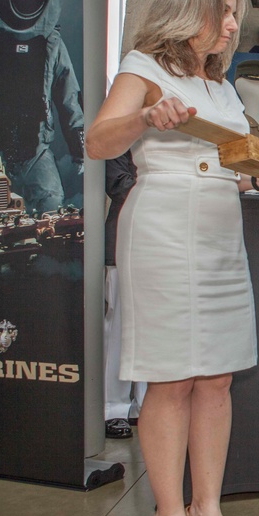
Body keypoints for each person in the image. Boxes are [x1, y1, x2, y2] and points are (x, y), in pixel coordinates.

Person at [87, 0, 259, 516]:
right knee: (172, 377)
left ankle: (207, 508)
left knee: (217, 378)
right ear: (190, 11)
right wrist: (145, 118)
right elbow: (99, 140)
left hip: (218, 227)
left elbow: (231, 162)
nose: (233, 26)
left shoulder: (222, 87)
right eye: (225, 12)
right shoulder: (143, 67)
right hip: (162, 225)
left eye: (235, 14)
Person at [0, 0, 84, 216]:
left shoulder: (52, 44)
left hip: (35, 149)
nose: (28, 1)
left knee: (52, 207)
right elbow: (70, 100)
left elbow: (69, 98)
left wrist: (80, 149)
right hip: (5, 147)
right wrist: (79, 151)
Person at [103, 150, 147, 439]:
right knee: (118, 330)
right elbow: (117, 184)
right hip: (121, 243)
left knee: (149, 331)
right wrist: (162, 186)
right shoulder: (120, 142)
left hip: (156, 246)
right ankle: (113, 408)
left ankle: (143, 405)